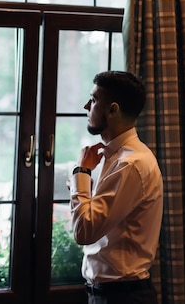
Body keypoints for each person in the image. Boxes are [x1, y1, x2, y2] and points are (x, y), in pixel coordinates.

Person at [68, 70, 163, 304]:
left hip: (123, 297)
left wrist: (81, 174)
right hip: (111, 294)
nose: (85, 105)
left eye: (93, 100)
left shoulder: (130, 164)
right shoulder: (113, 159)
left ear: (113, 109)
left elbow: (84, 232)